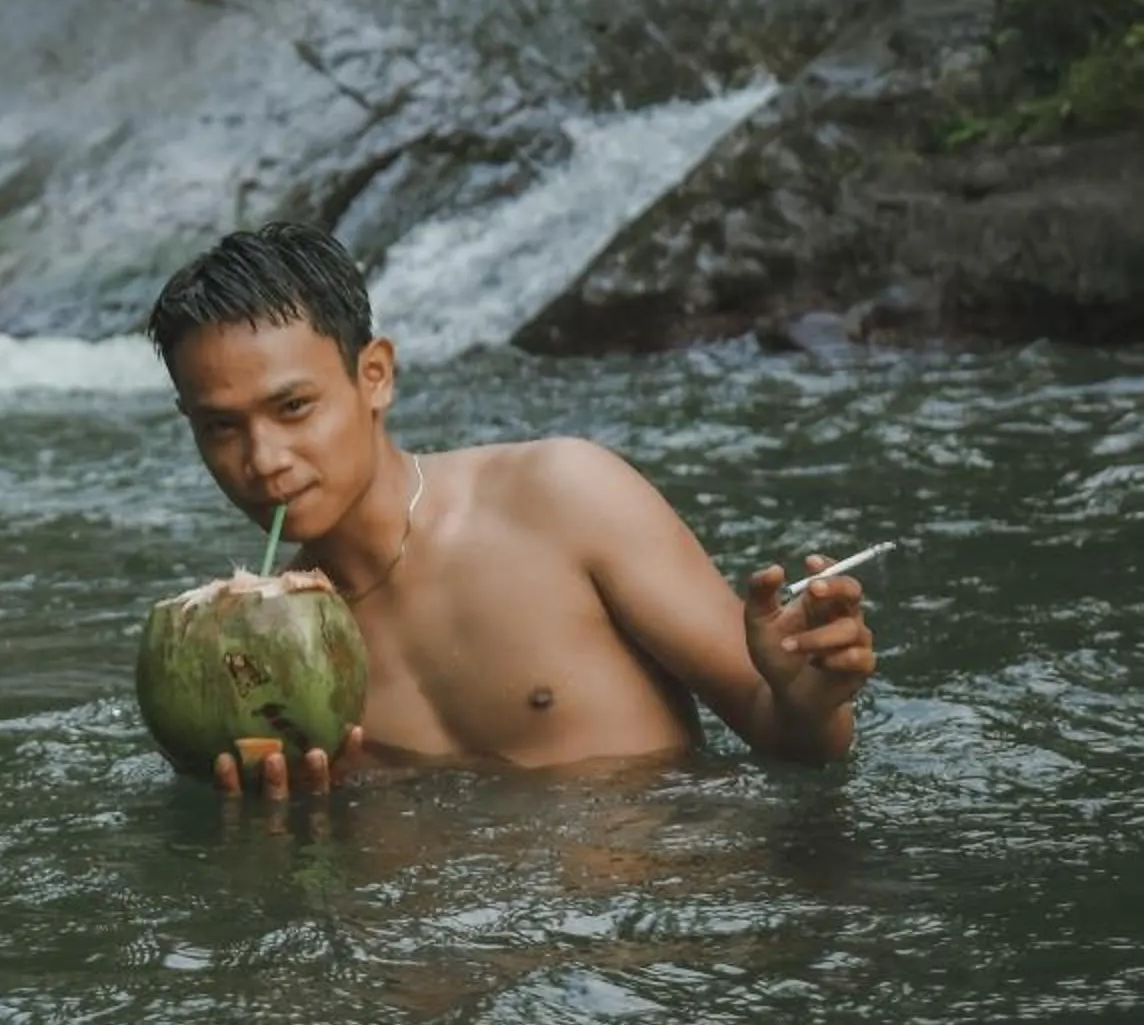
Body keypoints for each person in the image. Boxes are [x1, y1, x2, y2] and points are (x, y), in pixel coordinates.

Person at [144, 222, 878, 796]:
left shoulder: (562, 497)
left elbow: (786, 737)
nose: (263, 458)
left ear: (374, 376)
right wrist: (286, 824)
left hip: (661, 955)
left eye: (294, 406)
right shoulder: (256, 668)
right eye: (221, 426)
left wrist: (810, 702)